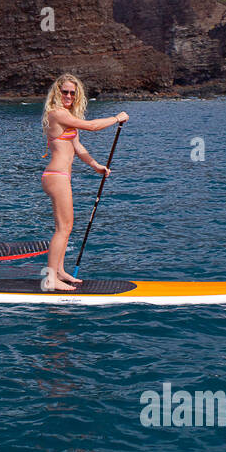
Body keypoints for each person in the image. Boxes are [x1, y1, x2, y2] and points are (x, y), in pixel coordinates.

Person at [40, 73, 127, 290]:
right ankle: (50, 278)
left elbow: (78, 148)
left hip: (60, 176)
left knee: (65, 227)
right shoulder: (57, 113)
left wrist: (96, 165)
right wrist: (116, 118)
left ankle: (59, 271)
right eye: (65, 91)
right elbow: (93, 126)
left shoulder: (67, 117)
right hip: (56, 176)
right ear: (57, 93)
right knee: (64, 228)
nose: (69, 95)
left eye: (72, 92)